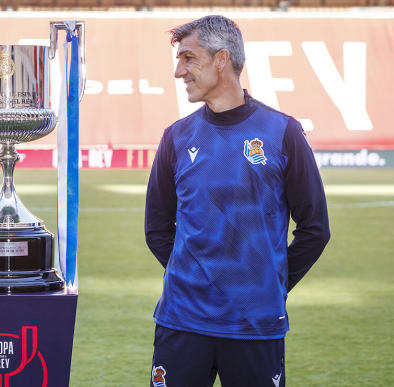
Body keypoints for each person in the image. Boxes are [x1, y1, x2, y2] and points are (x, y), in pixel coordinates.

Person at [145, 15, 330, 387]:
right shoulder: (176, 137)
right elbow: (157, 228)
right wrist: (198, 276)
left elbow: (315, 229)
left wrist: (270, 283)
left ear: (221, 59)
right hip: (183, 321)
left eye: (188, 58)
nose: (179, 71)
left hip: (255, 324)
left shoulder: (283, 132)